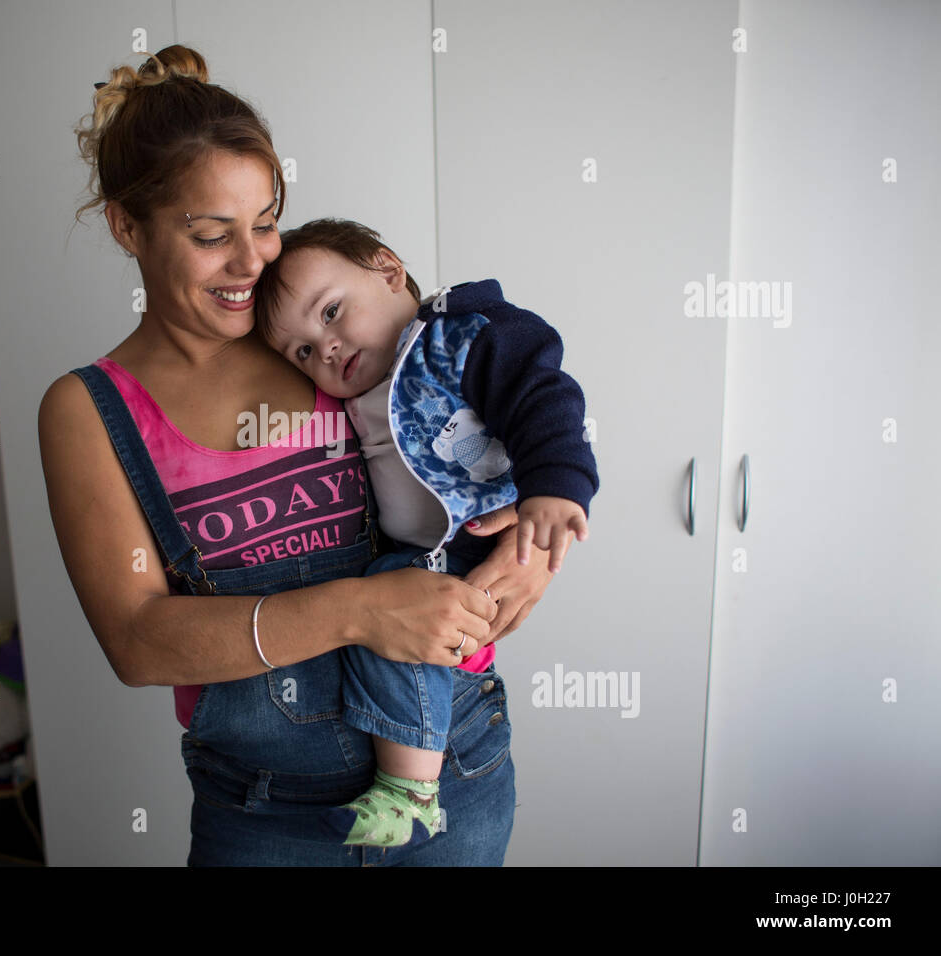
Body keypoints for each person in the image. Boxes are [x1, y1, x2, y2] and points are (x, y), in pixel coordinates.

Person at [38, 45, 562, 866]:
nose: (253, 263)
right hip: (263, 813)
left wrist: (536, 554)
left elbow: (515, 421)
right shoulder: (91, 412)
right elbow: (136, 643)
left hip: (456, 771)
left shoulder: (332, 340)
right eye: (213, 236)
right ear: (126, 226)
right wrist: (358, 610)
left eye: (266, 221)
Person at [251, 218, 599, 847]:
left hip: (472, 546)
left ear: (387, 270)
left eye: (331, 312)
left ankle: (411, 792)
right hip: (422, 561)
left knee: (388, 596)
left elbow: (543, 395)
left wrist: (553, 490)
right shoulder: (345, 397)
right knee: (380, 606)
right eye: (302, 350)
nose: (325, 349)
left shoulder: (454, 339)